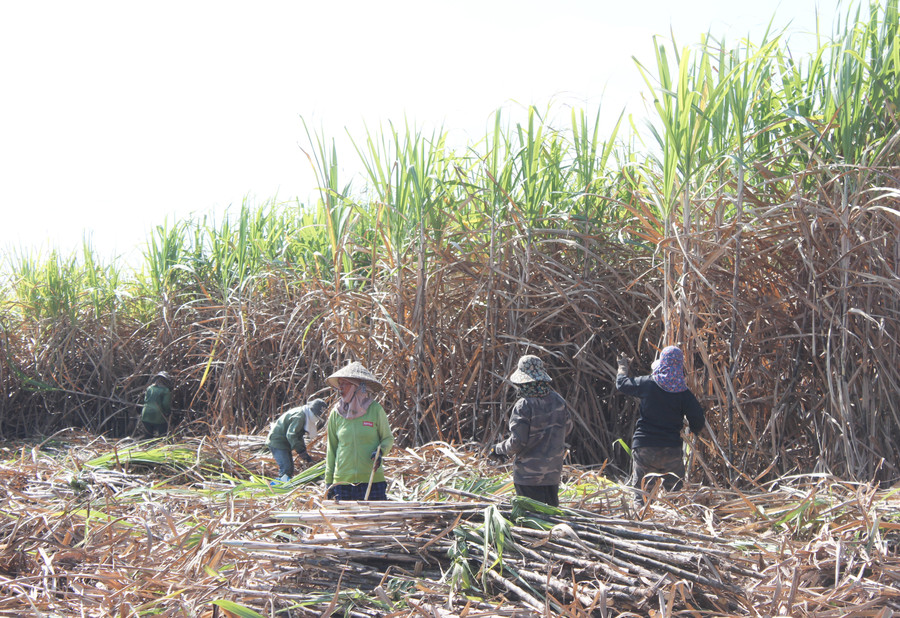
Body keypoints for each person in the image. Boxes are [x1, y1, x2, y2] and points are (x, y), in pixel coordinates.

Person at [616, 345, 705, 502]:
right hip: (671, 451)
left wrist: (623, 367)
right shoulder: (684, 393)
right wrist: (694, 429)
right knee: (674, 497)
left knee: (642, 496)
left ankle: (640, 523)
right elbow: (698, 418)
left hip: (645, 448)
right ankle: (674, 522)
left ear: (662, 362)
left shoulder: (648, 384)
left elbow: (622, 384)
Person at [490, 354, 573, 507]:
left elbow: (517, 443)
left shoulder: (524, 405)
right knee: (551, 519)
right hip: (552, 474)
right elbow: (567, 429)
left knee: (532, 523)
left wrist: (498, 449)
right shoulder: (558, 401)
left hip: (528, 477)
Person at [323, 362, 394, 501]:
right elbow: (331, 449)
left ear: (356, 386)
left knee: (374, 522)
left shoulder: (375, 410)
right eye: (339, 383)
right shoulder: (336, 414)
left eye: (345, 383)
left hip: (372, 480)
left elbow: (387, 438)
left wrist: (381, 453)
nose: (340, 388)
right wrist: (328, 482)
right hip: (342, 482)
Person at [266, 398, 327, 482]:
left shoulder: (304, 415)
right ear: (312, 412)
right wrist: (301, 451)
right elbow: (291, 435)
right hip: (277, 442)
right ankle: (278, 488)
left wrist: (303, 450)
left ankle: (283, 485)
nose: (317, 420)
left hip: (284, 443)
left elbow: (298, 436)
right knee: (286, 468)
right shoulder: (300, 416)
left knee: (290, 469)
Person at [140, 371, 173, 437]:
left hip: (145, 414)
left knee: (148, 438)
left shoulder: (149, 388)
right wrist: (168, 412)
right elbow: (165, 404)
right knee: (162, 436)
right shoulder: (165, 390)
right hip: (158, 415)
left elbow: (145, 400)